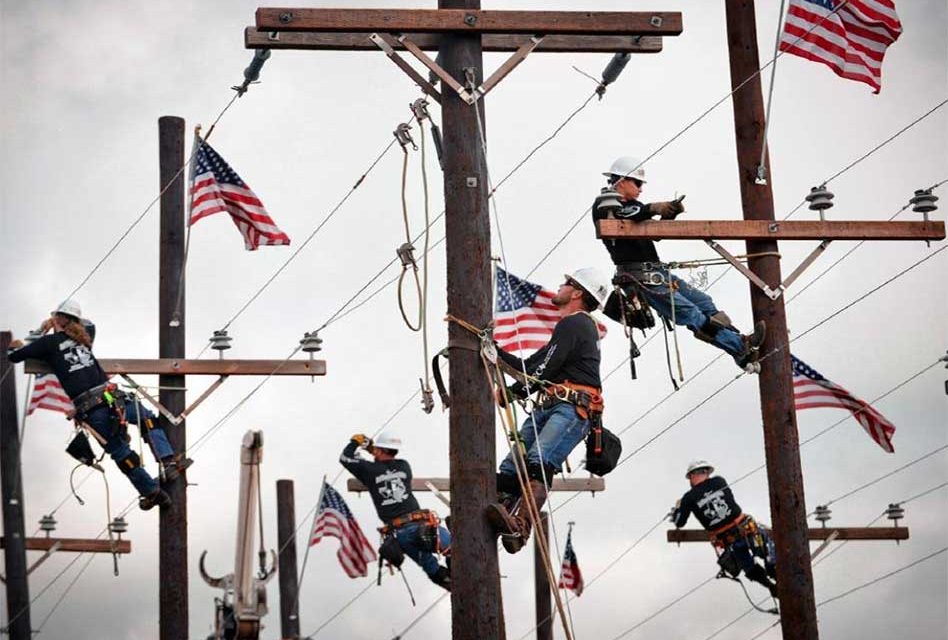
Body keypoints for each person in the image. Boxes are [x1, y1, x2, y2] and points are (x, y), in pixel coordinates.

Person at [592, 156, 765, 371]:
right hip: (640, 277)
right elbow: (628, 214)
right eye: (637, 183)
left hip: (659, 272)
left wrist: (668, 215)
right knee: (691, 314)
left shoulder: (634, 205)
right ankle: (739, 347)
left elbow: (652, 232)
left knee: (704, 303)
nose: (641, 189)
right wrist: (656, 208)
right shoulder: (605, 204)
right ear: (620, 181)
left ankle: (741, 343)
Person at [486, 267, 611, 554]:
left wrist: (496, 353)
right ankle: (496, 514)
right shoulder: (571, 327)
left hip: (571, 409)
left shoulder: (576, 324)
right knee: (511, 467)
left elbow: (538, 371)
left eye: (567, 282)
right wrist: (513, 391)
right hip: (552, 405)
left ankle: (521, 526)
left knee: (537, 461)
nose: (561, 285)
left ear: (578, 293)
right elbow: (543, 367)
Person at [8, 300, 171, 510]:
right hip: (112, 397)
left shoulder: (47, 344)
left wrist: (42, 329)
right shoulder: (84, 338)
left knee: (121, 452)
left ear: (59, 318)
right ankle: (168, 461)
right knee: (147, 419)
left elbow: (14, 356)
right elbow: (89, 325)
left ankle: (152, 491)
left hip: (93, 409)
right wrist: (60, 322)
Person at [81, 319, 191, 482]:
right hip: (102, 407)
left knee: (133, 436)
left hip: (105, 405)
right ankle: (163, 468)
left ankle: (156, 479)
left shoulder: (74, 356)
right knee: (133, 437)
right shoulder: (77, 357)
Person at [339, 431, 452, 590]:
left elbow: (345, 457)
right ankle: (465, 583)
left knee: (434, 570)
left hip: (401, 535)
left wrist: (356, 443)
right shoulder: (403, 466)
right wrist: (373, 448)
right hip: (423, 526)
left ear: (380, 450)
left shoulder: (369, 471)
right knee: (454, 549)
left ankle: (453, 585)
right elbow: (383, 460)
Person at [671, 460, 777, 597]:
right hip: (745, 530)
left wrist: (678, 509)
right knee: (767, 552)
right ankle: (775, 576)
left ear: (691, 476)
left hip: (730, 540)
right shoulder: (719, 481)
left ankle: (772, 586)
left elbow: (679, 522)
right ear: (706, 472)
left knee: (749, 566)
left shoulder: (688, 498)